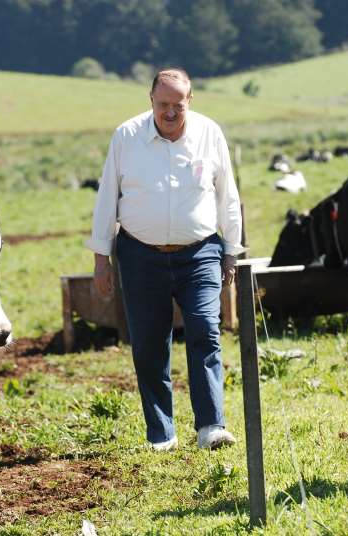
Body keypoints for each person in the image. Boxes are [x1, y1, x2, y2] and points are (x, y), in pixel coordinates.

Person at [85, 67, 245, 451]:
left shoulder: (210, 134)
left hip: (201, 252)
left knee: (206, 330)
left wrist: (232, 251)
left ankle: (210, 427)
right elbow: (108, 197)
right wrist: (101, 258)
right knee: (149, 343)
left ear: (190, 101)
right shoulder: (126, 136)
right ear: (150, 100)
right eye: (163, 105)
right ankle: (162, 433)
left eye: (178, 105)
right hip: (140, 254)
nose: (170, 112)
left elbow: (227, 196)